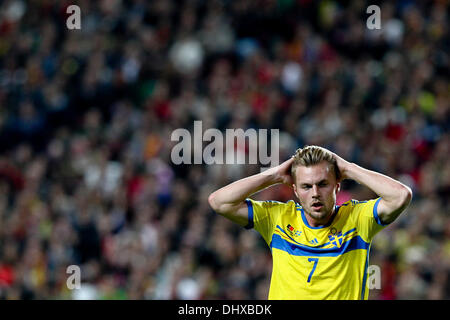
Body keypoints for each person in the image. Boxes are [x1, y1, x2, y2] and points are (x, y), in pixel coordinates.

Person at [208, 145, 412, 299]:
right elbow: (219, 202)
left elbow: (400, 196)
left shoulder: (357, 219)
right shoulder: (278, 217)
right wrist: (274, 174)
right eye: (306, 186)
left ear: (337, 187)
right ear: (295, 190)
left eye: (323, 184)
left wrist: (349, 168)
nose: (315, 194)